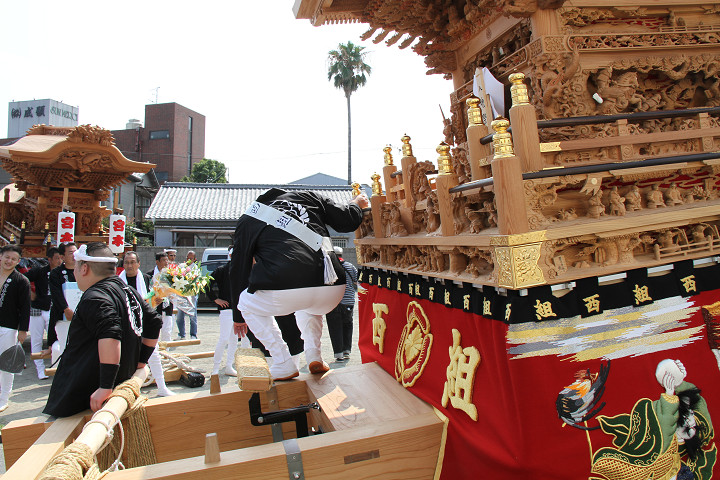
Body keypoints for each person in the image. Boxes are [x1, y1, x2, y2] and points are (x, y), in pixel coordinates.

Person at [230, 188, 368, 380]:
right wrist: (356, 204)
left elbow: (238, 267)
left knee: (246, 303)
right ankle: (314, 356)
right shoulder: (310, 197)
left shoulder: (249, 218)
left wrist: (238, 317)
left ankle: (282, 362)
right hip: (333, 286)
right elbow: (347, 221)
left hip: (287, 289)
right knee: (308, 306)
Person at [44, 243, 162, 417]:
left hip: (88, 392)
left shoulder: (95, 297)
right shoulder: (128, 290)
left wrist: (105, 386)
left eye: (76, 267)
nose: (74, 272)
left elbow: (110, 334)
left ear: (84, 268)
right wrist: (141, 360)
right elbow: (154, 322)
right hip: (118, 381)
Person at [119, 251, 174, 396]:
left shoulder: (147, 279)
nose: (129, 265)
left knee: (153, 355)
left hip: (145, 323)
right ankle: (127, 391)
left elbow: (155, 299)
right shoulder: (118, 282)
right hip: (126, 325)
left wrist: (158, 299)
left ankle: (162, 387)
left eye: (132, 262)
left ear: (138, 263)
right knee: (126, 357)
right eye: (126, 262)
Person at [0, 245, 31, 412]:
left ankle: (4, 398)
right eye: (7, 257)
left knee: (6, 364)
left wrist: (23, 330)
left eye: (13, 259)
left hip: (9, 327)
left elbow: (25, 307)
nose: (9, 261)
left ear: (18, 261)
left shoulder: (21, 280)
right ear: (1, 256)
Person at [24, 246, 62, 379]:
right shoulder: (40, 271)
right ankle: (40, 369)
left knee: (56, 340)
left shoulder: (61, 273)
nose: (59, 261)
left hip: (54, 309)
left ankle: (54, 367)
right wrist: (30, 293)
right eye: (57, 258)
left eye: (61, 258)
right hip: (38, 309)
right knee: (36, 340)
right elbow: (22, 279)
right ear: (49, 259)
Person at [207, 248, 246, 376]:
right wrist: (215, 299)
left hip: (239, 309)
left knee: (234, 339)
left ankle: (229, 366)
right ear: (230, 255)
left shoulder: (243, 269)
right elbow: (206, 284)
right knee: (224, 339)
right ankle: (215, 368)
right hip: (227, 309)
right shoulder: (222, 270)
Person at [325, 246, 358, 362]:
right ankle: (346, 351)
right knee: (347, 325)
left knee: (335, 327)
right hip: (348, 302)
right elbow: (356, 281)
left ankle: (339, 354)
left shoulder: (327, 267)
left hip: (332, 303)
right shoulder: (350, 266)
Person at [48, 242, 78, 364]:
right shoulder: (56, 273)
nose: (74, 255)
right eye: (70, 253)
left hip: (81, 315)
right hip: (64, 316)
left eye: (75, 252)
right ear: (62, 256)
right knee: (64, 346)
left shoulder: (83, 270)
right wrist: (66, 309)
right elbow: (56, 295)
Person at [147, 252, 174, 342]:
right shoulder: (149, 275)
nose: (166, 262)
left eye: (167, 260)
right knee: (154, 332)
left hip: (167, 307)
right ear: (157, 262)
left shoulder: (171, 274)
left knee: (167, 331)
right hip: (154, 307)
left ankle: (166, 350)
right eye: (163, 260)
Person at [176, 250, 198, 340]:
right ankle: (181, 334)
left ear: (195, 259)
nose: (189, 260)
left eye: (191, 258)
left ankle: (193, 334)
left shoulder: (196, 268)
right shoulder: (181, 266)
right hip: (181, 294)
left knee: (192, 316)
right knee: (179, 316)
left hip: (191, 295)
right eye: (187, 258)